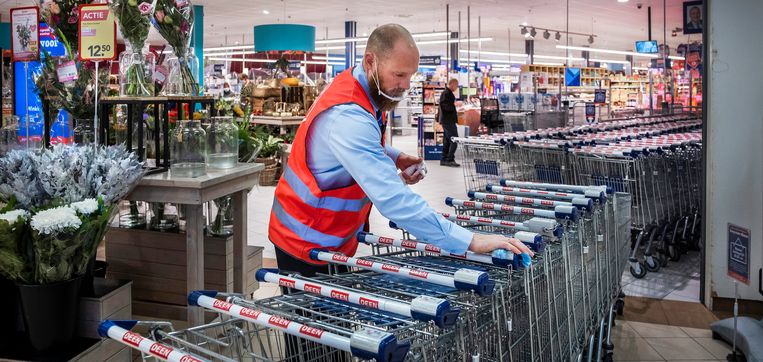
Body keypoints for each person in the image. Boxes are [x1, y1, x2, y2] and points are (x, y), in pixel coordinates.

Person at [268, 24, 533, 277]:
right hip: (305, 239)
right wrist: (470, 241)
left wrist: (395, 157)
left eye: (411, 75)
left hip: (328, 235)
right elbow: (393, 200)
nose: (406, 85)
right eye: (399, 75)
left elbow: (359, 144)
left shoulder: (361, 89)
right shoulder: (348, 115)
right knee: (313, 320)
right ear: (371, 61)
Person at [439, 78, 460, 167]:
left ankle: (444, 159)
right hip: (448, 121)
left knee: (447, 140)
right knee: (454, 139)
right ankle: (449, 159)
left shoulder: (448, 93)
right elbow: (445, 107)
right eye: (456, 85)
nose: (456, 87)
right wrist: (455, 105)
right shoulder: (446, 94)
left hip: (448, 120)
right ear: (451, 84)